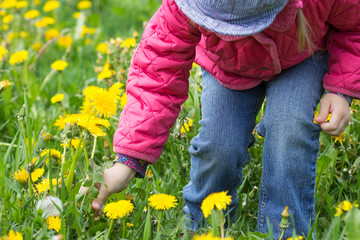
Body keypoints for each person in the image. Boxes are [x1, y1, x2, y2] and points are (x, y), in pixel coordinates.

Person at [91, 0, 360, 238]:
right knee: (219, 145)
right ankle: (206, 230)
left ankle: (286, 233)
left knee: (290, 129)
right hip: (228, 65)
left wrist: (340, 89)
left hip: (302, 54)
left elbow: (354, 26)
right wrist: (128, 160)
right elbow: (157, 75)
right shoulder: (183, 7)